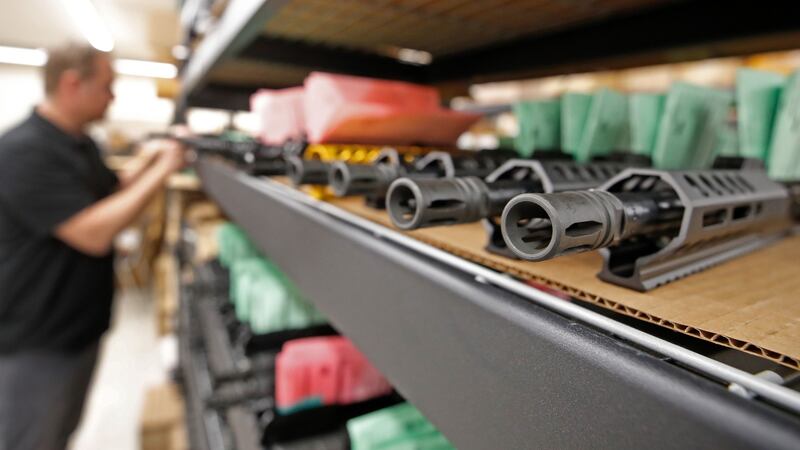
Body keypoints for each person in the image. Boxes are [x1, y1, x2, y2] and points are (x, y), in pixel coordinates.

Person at [0, 43, 186, 450]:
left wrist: (149, 159)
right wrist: (166, 171)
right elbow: (92, 232)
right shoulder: (22, 151)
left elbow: (109, 192)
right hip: (39, 340)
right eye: (107, 86)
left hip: (81, 329)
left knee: (61, 433)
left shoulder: (81, 145)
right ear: (71, 83)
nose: (113, 96)